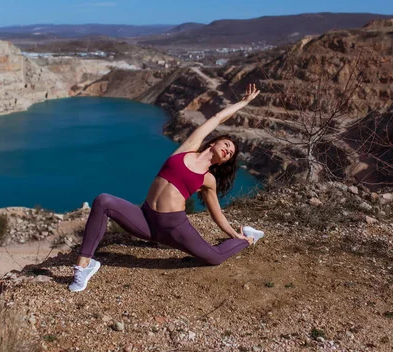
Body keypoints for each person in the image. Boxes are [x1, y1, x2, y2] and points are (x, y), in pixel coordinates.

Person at [68, 83, 265, 292]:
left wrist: (235, 234)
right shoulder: (187, 149)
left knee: (214, 257)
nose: (228, 150)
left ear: (224, 162)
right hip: (145, 219)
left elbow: (217, 214)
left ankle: (249, 238)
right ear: (212, 143)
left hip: (174, 228)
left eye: (231, 153)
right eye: (226, 145)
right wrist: (242, 103)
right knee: (103, 200)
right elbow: (216, 118)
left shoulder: (208, 180)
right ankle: (84, 266)